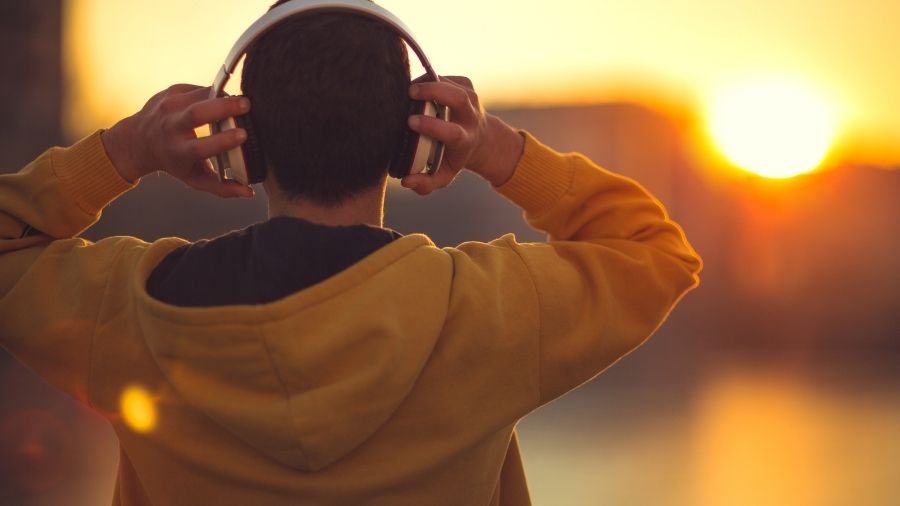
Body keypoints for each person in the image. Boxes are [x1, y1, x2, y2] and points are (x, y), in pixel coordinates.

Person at [0, 5, 701, 506]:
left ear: (243, 143)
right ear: (410, 142)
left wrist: (126, 151)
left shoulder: (128, 310)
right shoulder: (490, 313)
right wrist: (497, 149)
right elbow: (656, 250)